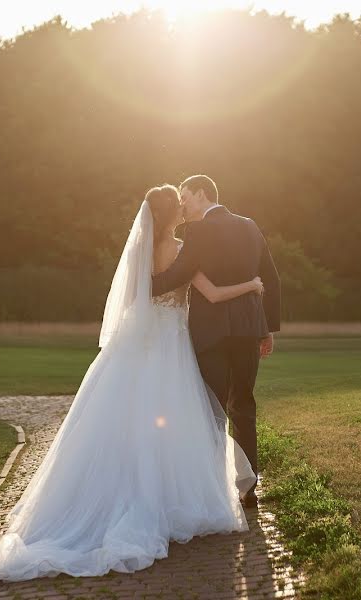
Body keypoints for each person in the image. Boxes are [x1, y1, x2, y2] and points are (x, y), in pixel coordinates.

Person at [0, 184, 262, 584]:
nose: (183, 205)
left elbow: (138, 296)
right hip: (171, 344)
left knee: (123, 417)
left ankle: (107, 496)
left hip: (141, 343)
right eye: (177, 204)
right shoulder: (182, 250)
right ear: (169, 215)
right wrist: (252, 285)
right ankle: (165, 500)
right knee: (175, 418)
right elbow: (210, 293)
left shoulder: (143, 252)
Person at [152, 174, 281, 508]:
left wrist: (143, 285)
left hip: (210, 334)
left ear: (202, 193)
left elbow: (180, 274)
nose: (182, 203)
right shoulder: (250, 226)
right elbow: (270, 277)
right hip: (248, 330)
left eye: (185, 195)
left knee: (212, 408)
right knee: (244, 403)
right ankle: (248, 486)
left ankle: (213, 488)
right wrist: (267, 329)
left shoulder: (197, 231)